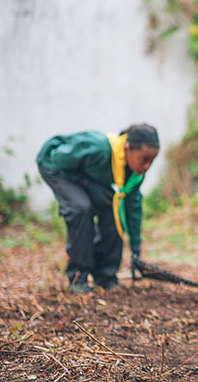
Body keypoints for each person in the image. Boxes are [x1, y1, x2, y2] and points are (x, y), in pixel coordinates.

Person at [37, 124, 160, 294]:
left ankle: (105, 276)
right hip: (54, 165)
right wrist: (87, 184)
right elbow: (58, 159)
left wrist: (136, 248)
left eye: (151, 160)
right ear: (127, 149)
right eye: (143, 159)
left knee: (114, 209)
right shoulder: (99, 148)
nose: (147, 166)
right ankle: (77, 278)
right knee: (81, 209)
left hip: (83, 175)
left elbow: (131, 209)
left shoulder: (133, 174)